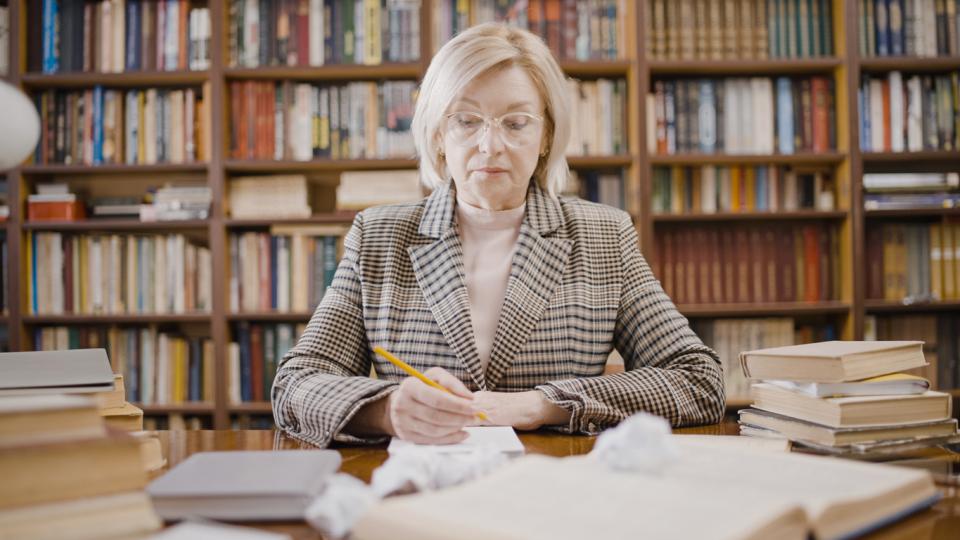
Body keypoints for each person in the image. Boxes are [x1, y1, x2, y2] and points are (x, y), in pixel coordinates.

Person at [272, 23, 724, 448]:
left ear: (545, 134)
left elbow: (698, 380)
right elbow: (296, 384)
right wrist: (385, 411)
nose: (490, 146)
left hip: (552, 492)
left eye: (516, 122)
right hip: (422, 493)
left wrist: (541, 404)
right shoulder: (379, 236)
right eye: (466, 120)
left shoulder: (603, 235)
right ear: (438, 134)